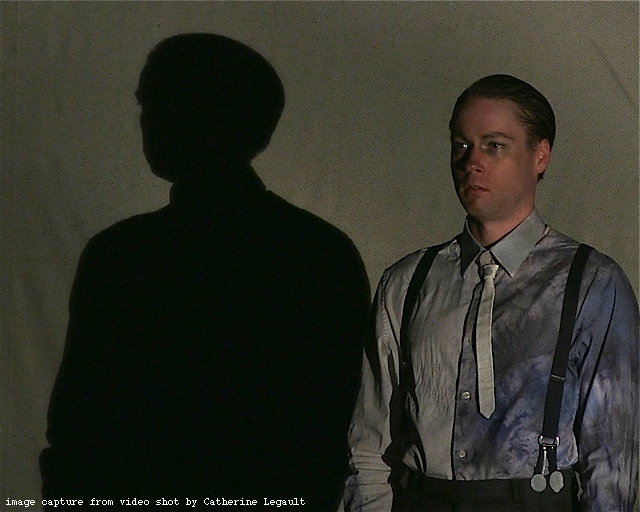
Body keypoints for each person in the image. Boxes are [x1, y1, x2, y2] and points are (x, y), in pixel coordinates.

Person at [40, 33, 370, 510]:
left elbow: (78, 424)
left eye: (160, 103)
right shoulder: (320, 253)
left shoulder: (120, 253)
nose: (147, 120)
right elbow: (326, 433)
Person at [343, 74, 638, 512]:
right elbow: (369, 446)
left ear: (540, 156)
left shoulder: (590, 282)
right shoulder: (408, 282)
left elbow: (612, 463)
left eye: (494, 145)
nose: (471, 162)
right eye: (461, 145)